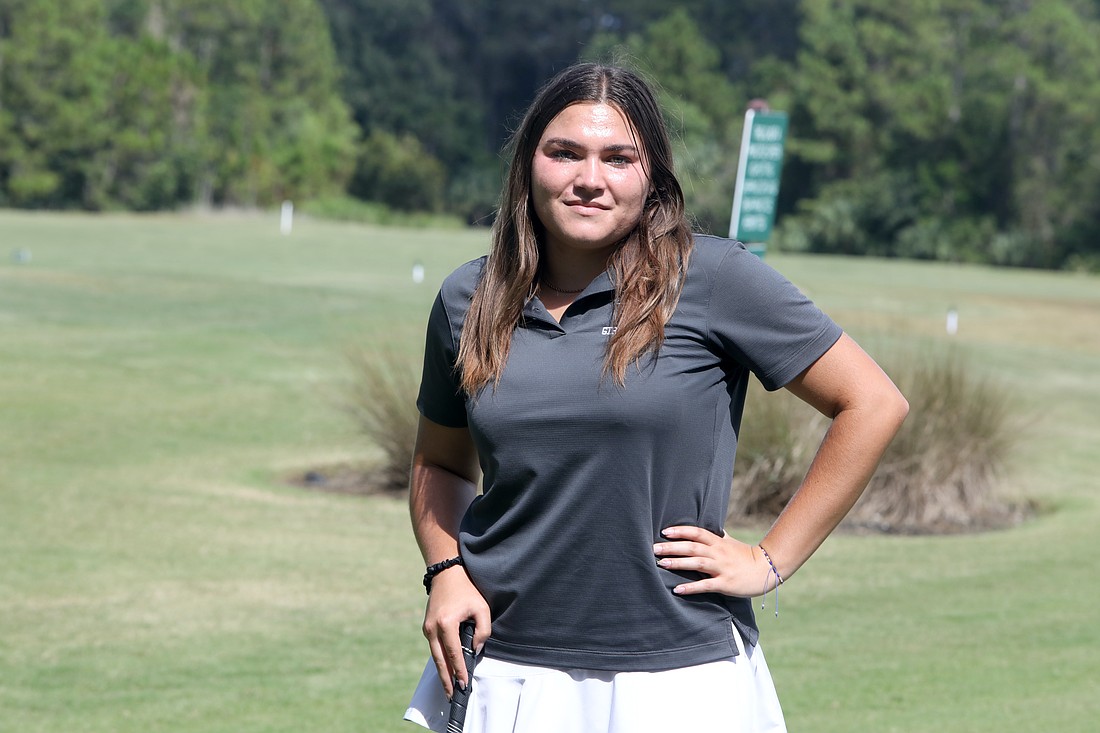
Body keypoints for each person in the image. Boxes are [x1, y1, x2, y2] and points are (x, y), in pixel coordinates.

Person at [403, 62, 908, 733]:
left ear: (652, 177)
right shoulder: (469, 298)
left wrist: (769, 560)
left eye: (619, 158)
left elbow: (872, 402)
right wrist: (445, 569)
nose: (590, 179)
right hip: (508, 665)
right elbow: (438, 463)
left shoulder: (716, 277)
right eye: (564, 153)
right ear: (528, 165)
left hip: (677, 675)